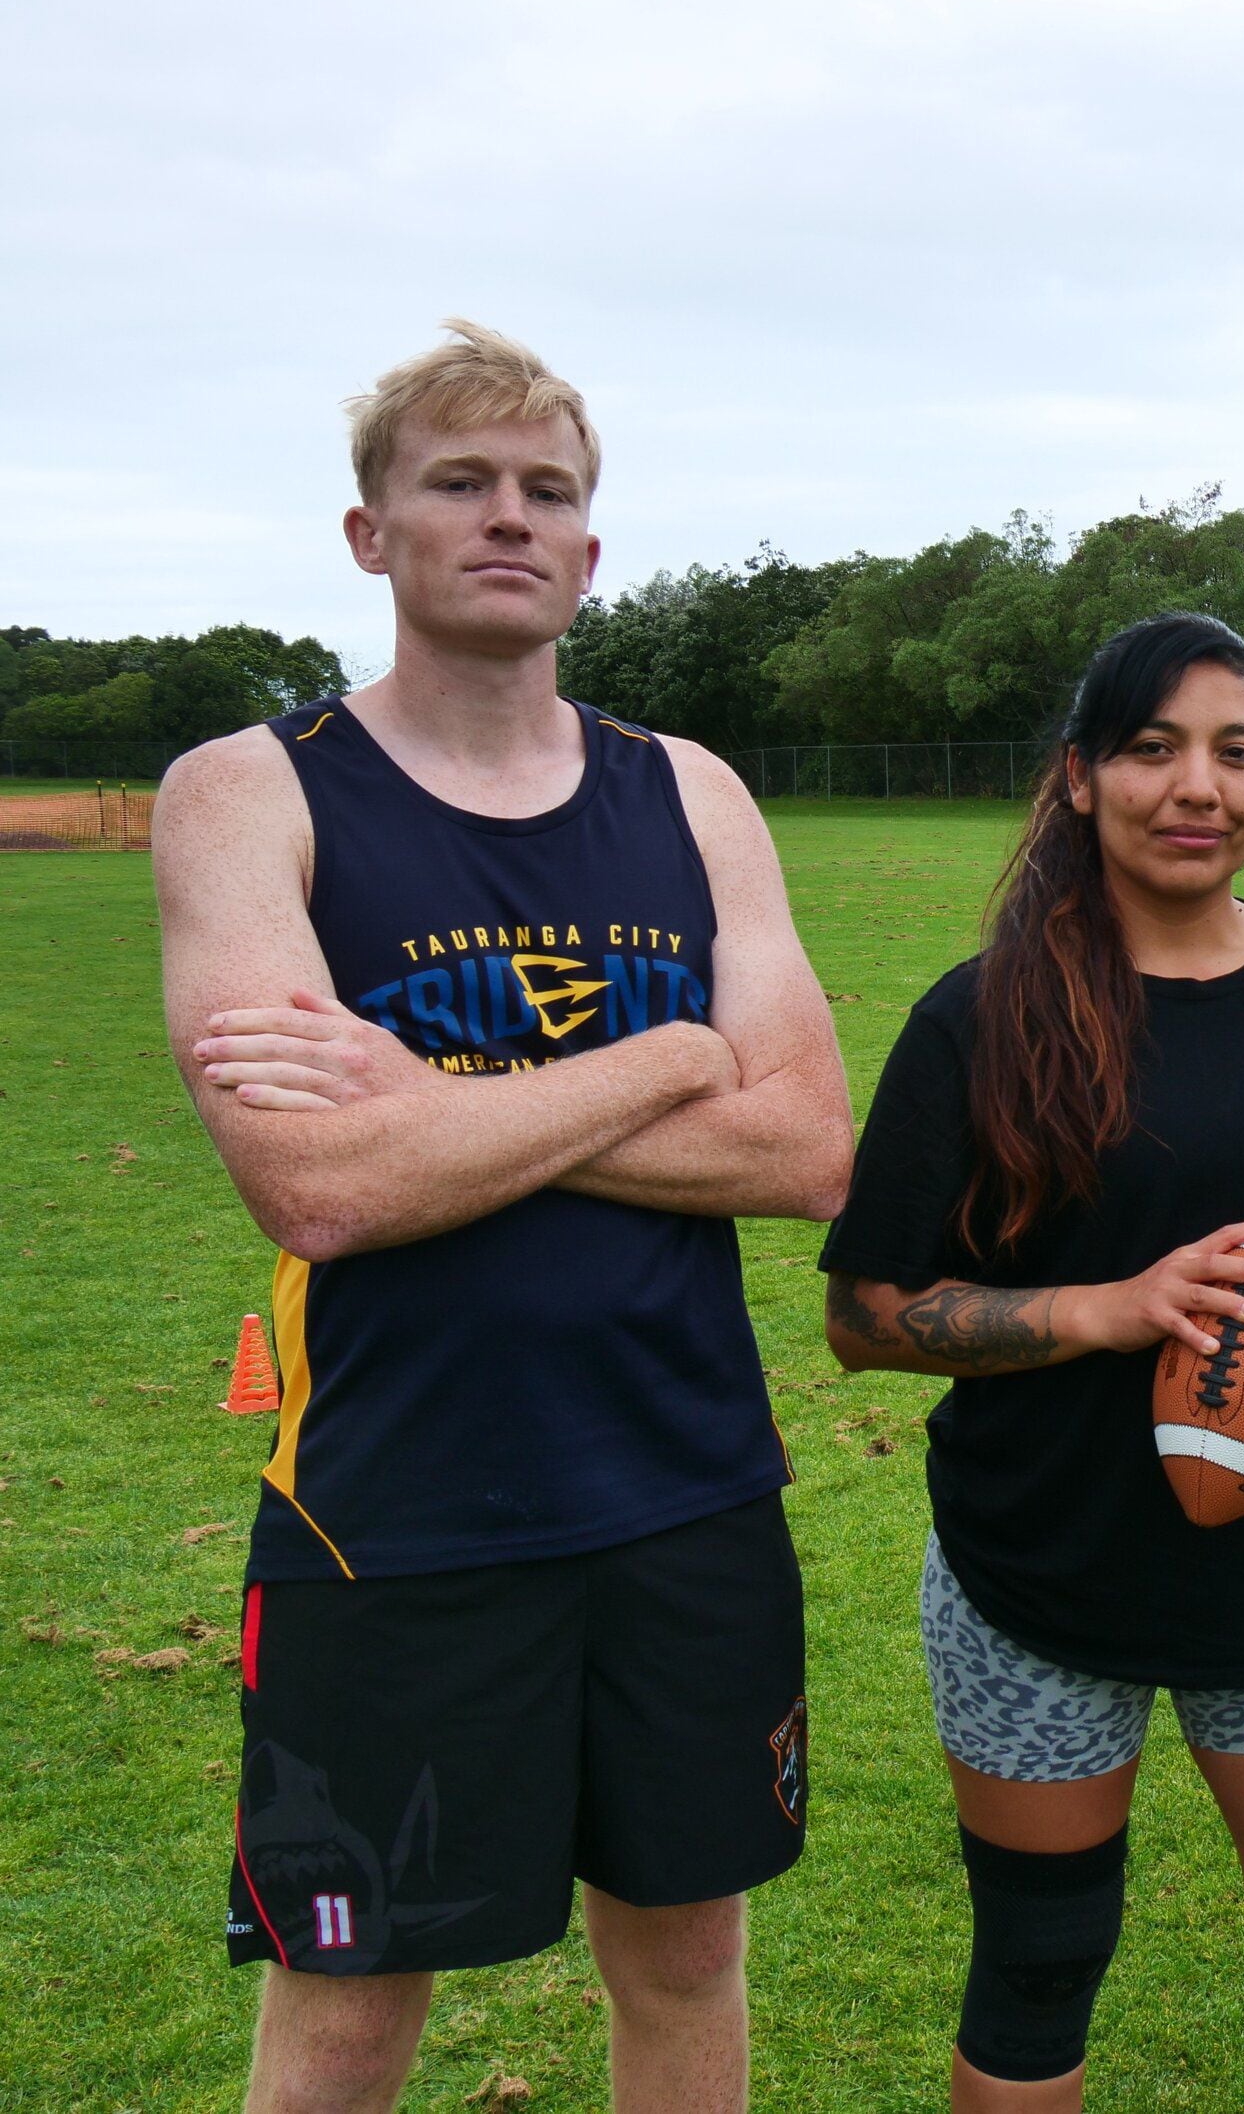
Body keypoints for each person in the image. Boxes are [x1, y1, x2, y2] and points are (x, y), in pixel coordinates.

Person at [153, 321, 854, 2114]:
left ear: (592, 552)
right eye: (458, 482)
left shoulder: (688, 790)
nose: (507, 517)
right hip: (391, 1506)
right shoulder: (252, 790)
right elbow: (320, 1185)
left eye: (548, 490)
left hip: (687, 1482)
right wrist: (667, 1053)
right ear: (369, 533)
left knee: (688, 1956)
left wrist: (436, 1106)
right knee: (350, 1999)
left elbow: (804, 1153)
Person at [817, 613, 1244, 2114]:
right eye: (1153, 748)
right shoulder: (980, 1013)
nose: (1199, 786)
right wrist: (1105, 1310)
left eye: (1235, 752)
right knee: (1040, 1966)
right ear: (1080, 780)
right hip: (1038, 1569)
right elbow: (865, 1311)